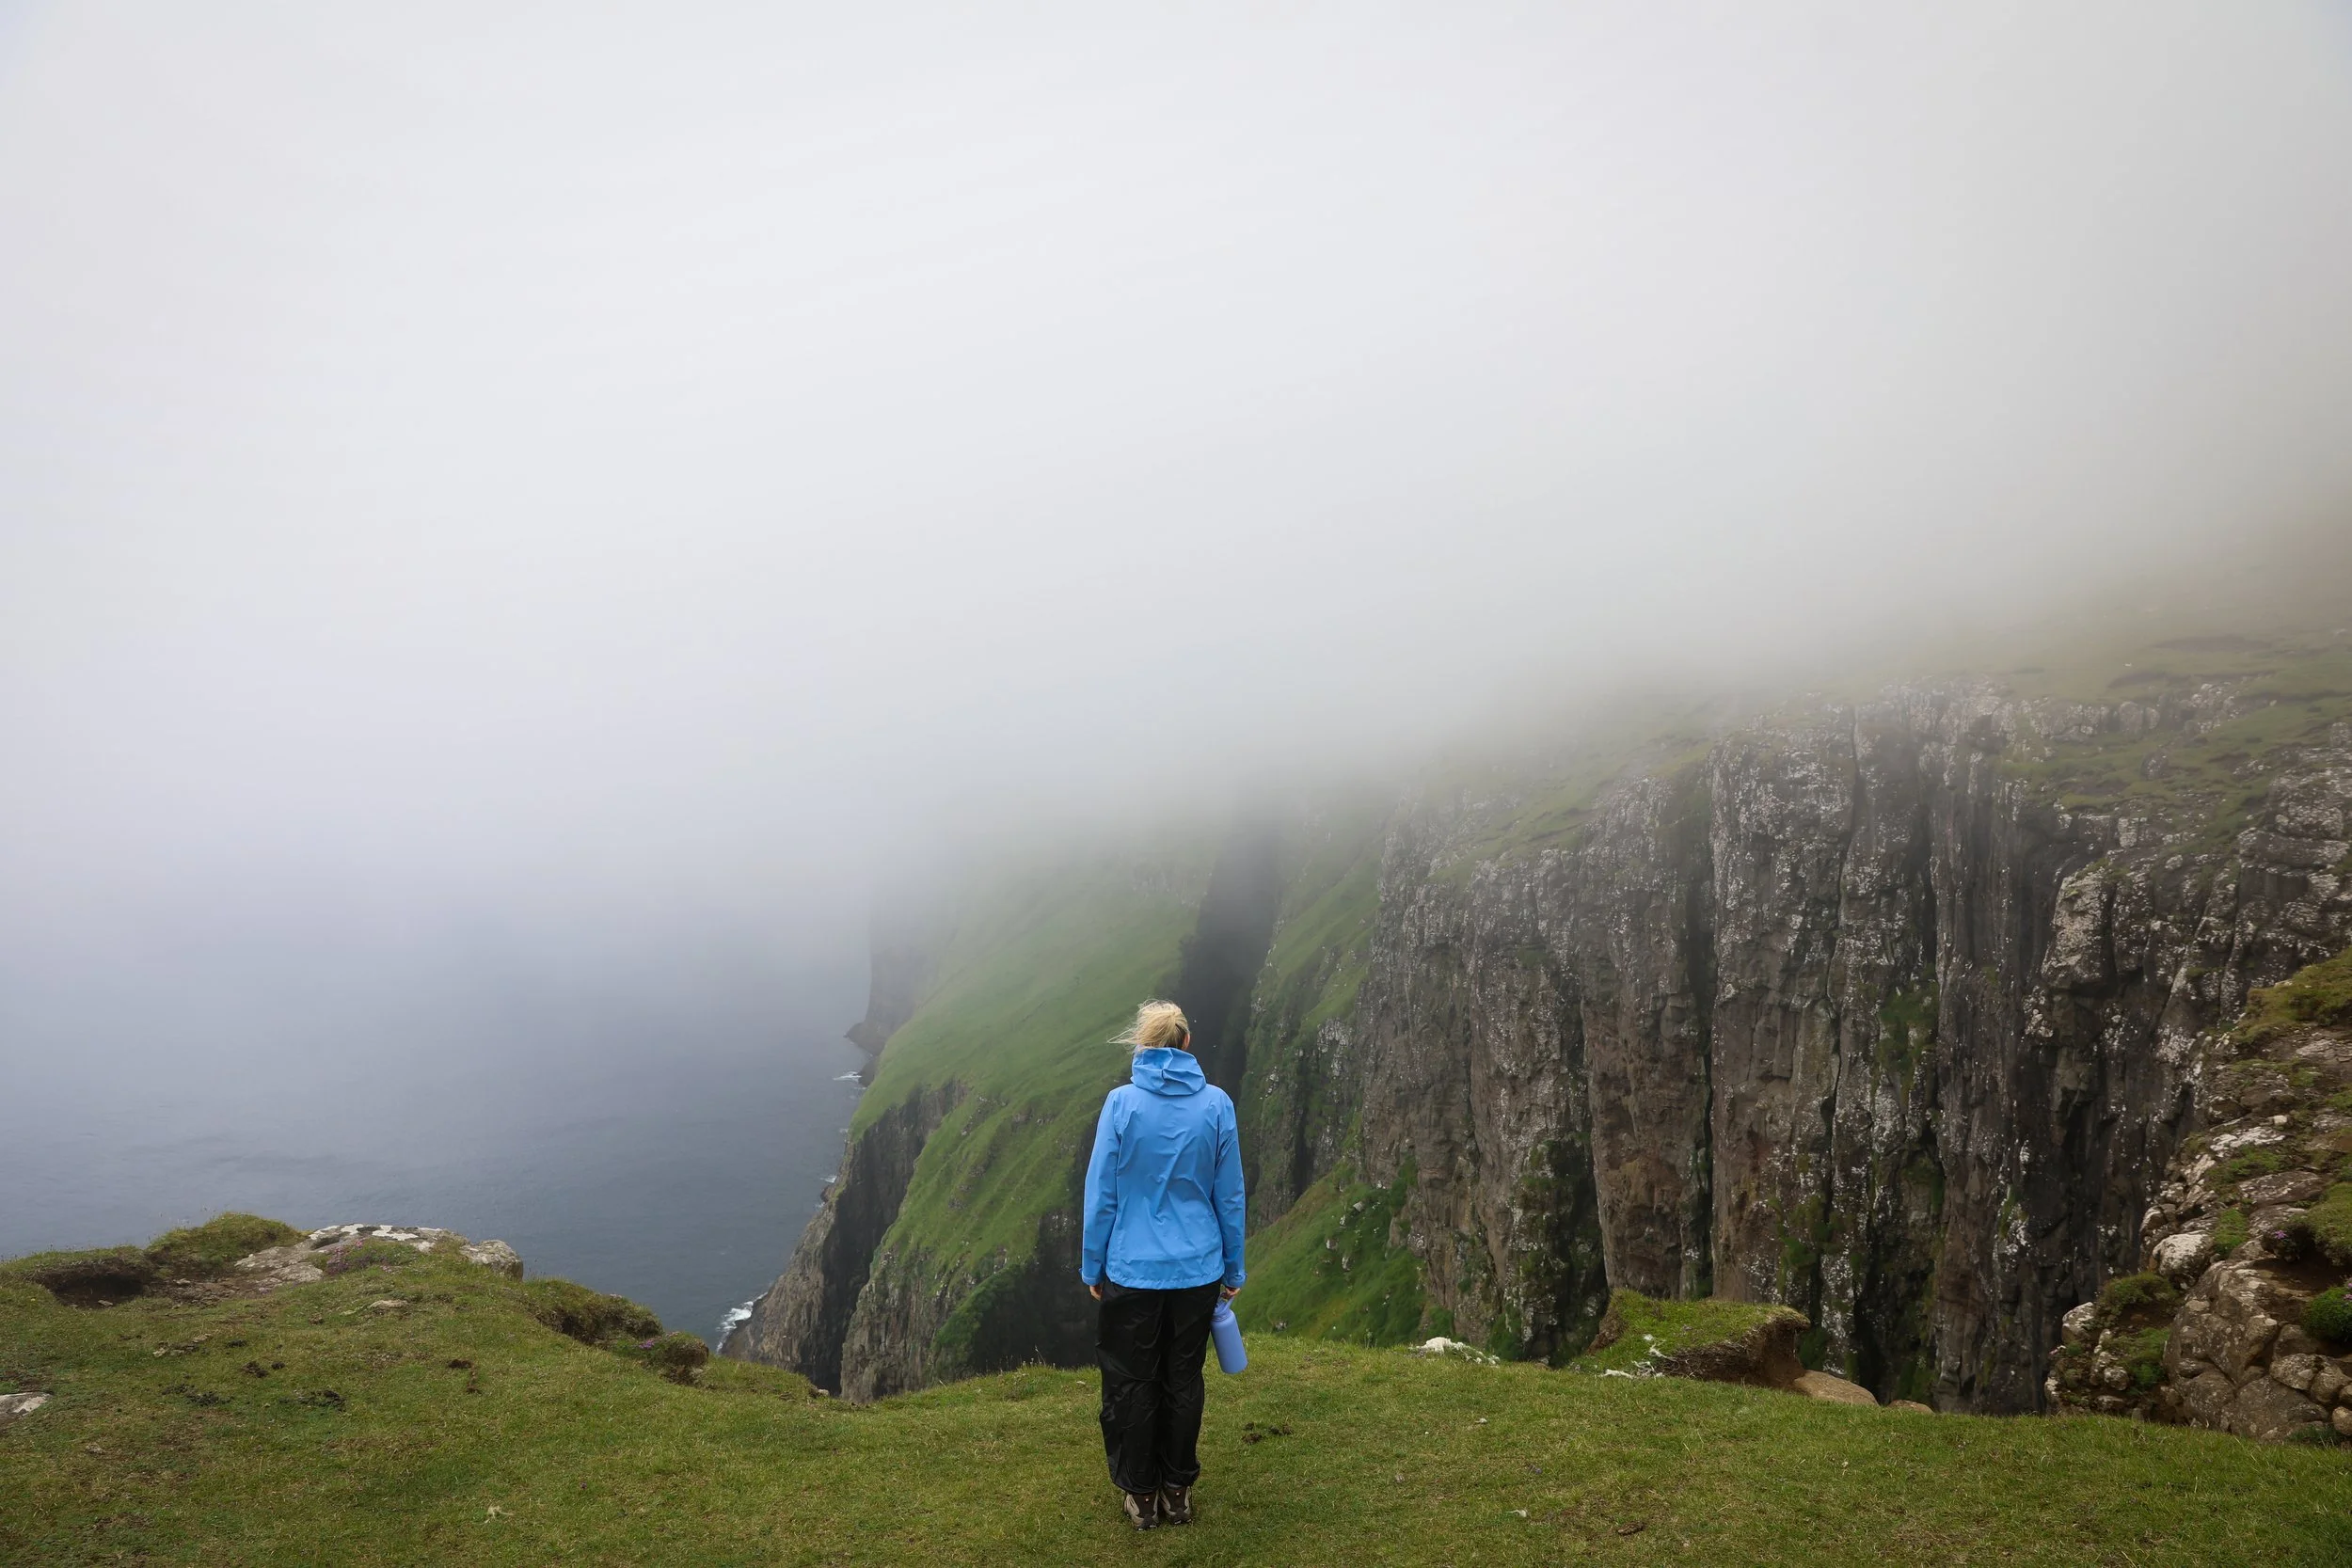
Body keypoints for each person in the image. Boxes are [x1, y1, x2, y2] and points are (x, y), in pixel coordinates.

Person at [1079, 999, 1246, 1531]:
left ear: (1143, 1046)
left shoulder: (1121, 1105)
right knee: (1183, 1378)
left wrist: (1092, 1267)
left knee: (1133, 1381)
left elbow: (1102, 1194)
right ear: (1187, 1044)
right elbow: (1231, 1196)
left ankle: (1142, 1496)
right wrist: (1233, 1269)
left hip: (1131, 1267)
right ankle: (1177, 1491)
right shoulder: (1217, 1105)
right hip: (1198, 1269)